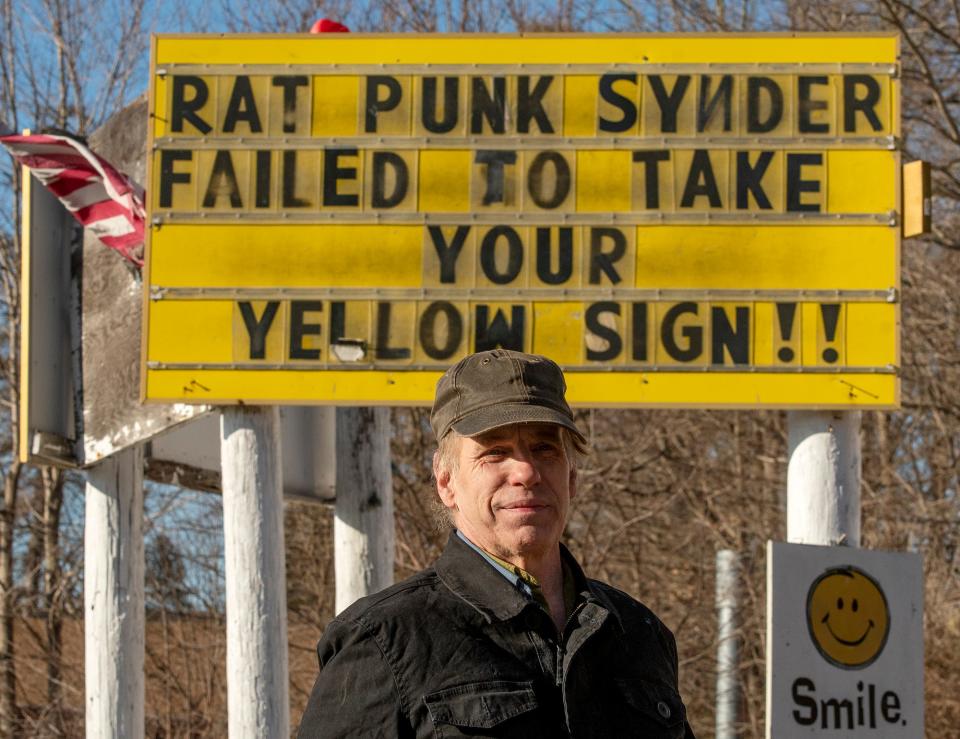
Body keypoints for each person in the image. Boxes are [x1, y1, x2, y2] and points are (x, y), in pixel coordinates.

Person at [298, 349, 696, 738]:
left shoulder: (639, 633)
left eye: (545, 449)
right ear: (446, 481)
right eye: (495, 453)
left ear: (572, 476)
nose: (526, 470)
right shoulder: (384, 641)